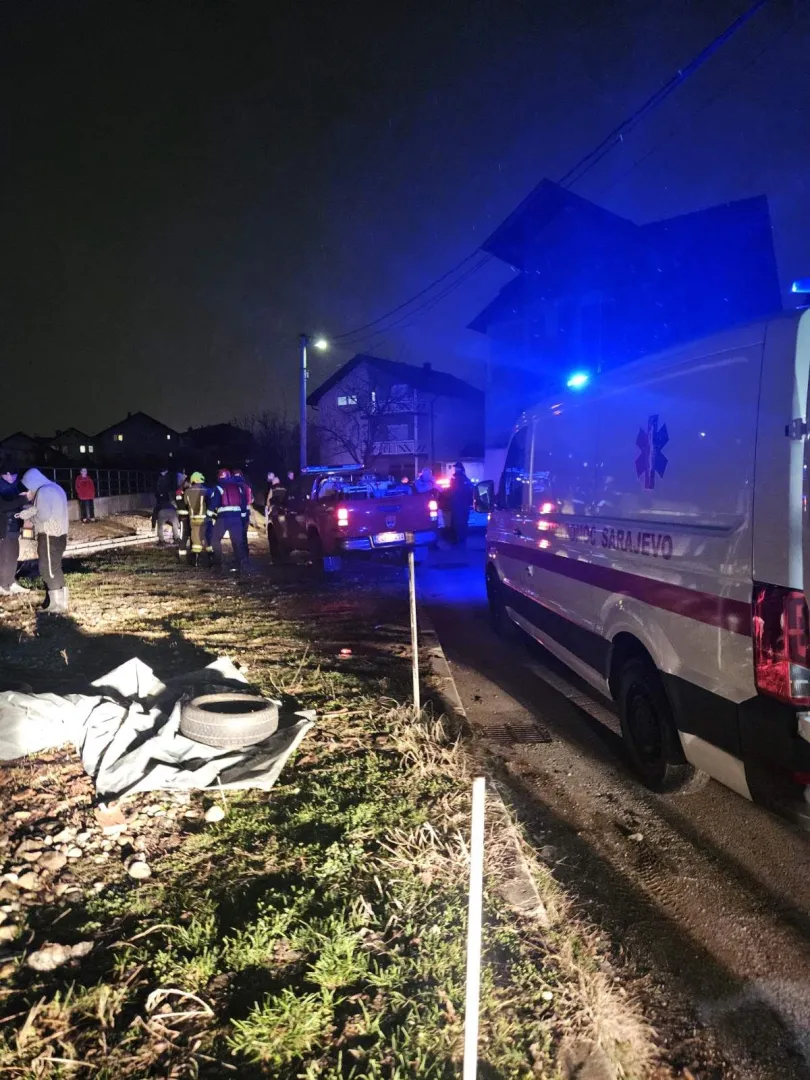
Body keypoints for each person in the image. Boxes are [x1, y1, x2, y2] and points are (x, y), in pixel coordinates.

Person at [17, 468, 70, 612]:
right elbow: (46, 509)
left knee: (47, 569)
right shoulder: (56, 488)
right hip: (60, 535)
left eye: (28, 485)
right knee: (55, 567)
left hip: (48, 535)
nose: (29, 489)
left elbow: (43, 515)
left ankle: (57, 605)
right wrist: (30, 509)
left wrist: (30, 518)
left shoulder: (44, 491)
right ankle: (60, 603)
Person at [207, 468, 247, 569]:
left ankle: (217, 561)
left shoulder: (219, 487)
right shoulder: (238, 487)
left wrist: (208, 515)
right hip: (236, 518)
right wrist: (242, 517)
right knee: (237, 541)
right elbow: (243, 503)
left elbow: (213, 503)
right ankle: (240, 562)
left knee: (215, 539)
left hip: (223, 518)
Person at [0, 467, 28, 597]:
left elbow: (15, 505)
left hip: (13, 526)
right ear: (7, 474)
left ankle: (10, 582)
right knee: (3, 556)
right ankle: (2, 584)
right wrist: (22, 499)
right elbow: (3, 506)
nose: (16, 478)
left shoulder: (14, 487)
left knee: (13, 554)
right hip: (3, 527)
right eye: (15, 475)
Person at [184, 471, 212, 567]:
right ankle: (210, 559)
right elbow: (211, 501)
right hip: (204, 519)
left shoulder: (187, 491)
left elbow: (186, 503)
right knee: (206, 537)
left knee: (195, 539)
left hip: (193, 519)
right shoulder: (206, 490)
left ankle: (196, 561)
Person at [448, 462, 474, 546]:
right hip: (464, 505)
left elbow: (452, 492)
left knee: (457, 522)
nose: (455, 469)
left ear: (460, 468)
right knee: (463, 522)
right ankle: (462, 539)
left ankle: (458, 540)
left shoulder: (456, 479)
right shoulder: (466, 479)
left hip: (457, 505)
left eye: (456, 467)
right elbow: (471, 491)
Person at [153, 467, 180, 545]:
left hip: (163, 512)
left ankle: (161, 540)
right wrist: (178, 523)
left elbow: (155, 514)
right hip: (172, 512)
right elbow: (176, 512)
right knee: (175, 525)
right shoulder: (171, 504)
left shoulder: (159, 505)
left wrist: (153, 526)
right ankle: (177, 538)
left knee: (160, 526)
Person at [232, 469, 253, 555]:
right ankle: (245, 553)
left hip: (236, 513)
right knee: (244, 534)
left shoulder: (233, 487)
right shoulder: (247, 486)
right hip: (246, 513)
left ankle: (238, 554)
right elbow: (251, 499)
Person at [174, 471, 190, 560]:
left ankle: (190, 555)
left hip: (189, 517)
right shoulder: (179, 492)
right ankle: (182, 556)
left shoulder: (185, 491)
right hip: (184, 518)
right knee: (183, 536)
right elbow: (181, 504)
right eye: (188, 482)